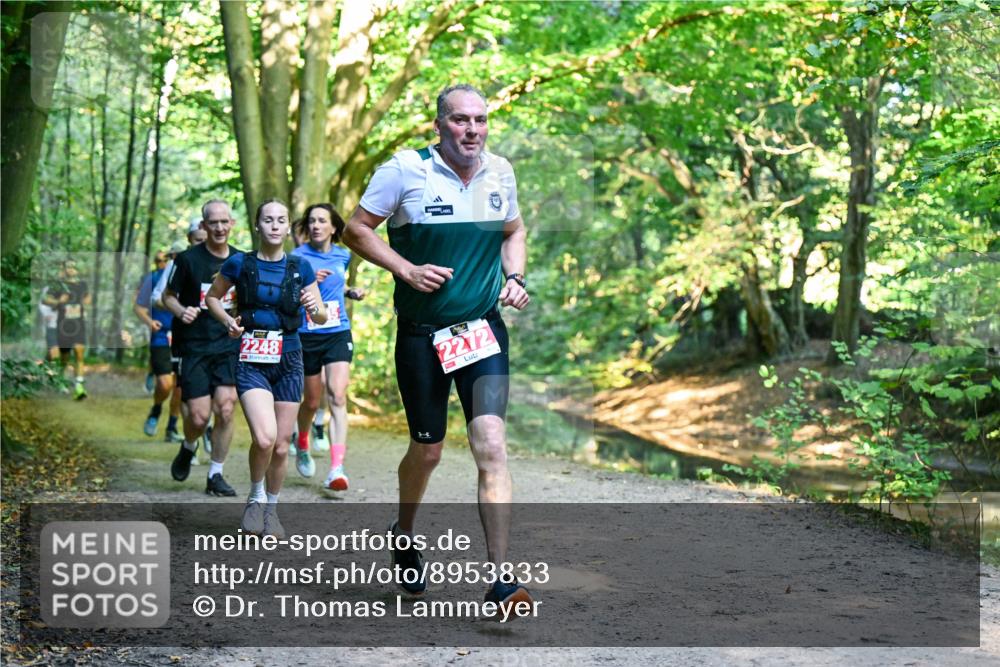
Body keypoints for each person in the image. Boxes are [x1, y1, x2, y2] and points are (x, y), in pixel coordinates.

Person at [342, 84, 533, 611]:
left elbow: (514, 231)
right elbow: (355, 229)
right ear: (439, 125)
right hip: (422, 336)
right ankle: (403, 532)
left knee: (490, 444)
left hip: (481, 332)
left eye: (480, 120)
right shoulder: (404, 171)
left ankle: (499, 579)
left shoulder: (501, 172)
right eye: (460, 120)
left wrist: (515, 277)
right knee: (427, 451)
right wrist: (405, 269)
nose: (472, 130)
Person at [205, 199, 325, 537]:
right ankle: (255, 499)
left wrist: (314, 307)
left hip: (289, 359)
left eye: (281, 220)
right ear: (257, 225)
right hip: (251, 357)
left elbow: (320, 316)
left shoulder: (301, 267)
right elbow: (212, 297)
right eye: (268, 220)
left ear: (288, 227)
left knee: (282, 445)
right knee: (264, 437)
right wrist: (228, 321)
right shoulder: (239, 263)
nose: (274, 225)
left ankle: (271, 510)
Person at [162, 200, 240, 497]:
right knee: (198, 417)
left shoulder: (241, 260)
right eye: (213, 223)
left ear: (232, 224)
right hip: (194, 345)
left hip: (228, 344)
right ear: (204, 226)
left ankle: (215, 474)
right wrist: (181, 311)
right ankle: (189, 445)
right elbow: (168, 296)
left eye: (224, 222)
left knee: (227, 407)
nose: (219, 228)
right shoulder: (187, 260)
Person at [290, 203, 366, 485]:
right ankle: (303, 442)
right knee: (311, 401)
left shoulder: (343, 255)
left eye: (322, 221)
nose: (315, 226)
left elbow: (337, 285)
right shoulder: (296, 257)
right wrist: (307, 282)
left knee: (337, 395)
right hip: (307, 333)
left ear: (334, 227)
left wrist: (351, 291)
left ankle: (337, 468)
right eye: (312, 221)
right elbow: (287, 294)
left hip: (337, 331)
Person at [153, 223, 214, 454]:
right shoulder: (179, 263)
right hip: (184, 337)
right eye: (198, 240)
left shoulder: (227, 261)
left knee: (220, 394)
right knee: (185, 390)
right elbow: (159, 297)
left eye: (205, 239)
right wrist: (181, 310)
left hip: (217, 337)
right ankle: (192, 438)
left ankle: (207, 429)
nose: (202, 243)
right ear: (190, 240)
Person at [134, 248, 182, 441]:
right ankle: (156, 410)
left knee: (180, 386)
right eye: (171, 257)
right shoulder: (154, 278)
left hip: (185, 338)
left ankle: (171, 428)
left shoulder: (193, 275)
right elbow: (139, 307)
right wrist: (150, 322)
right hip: (161, 336)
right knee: (165, 383)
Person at [45, 260, 91, 400]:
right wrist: (59, 301)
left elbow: (88, 298)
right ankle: (61, 380)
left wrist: (85, 303)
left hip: (79, 324)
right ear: (64, 269)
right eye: (68, 267)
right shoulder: (58, 285)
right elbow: (46, 299)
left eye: (73, 267)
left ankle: (79, 387)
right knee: (64, 357)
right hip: (63, 325)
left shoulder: (82, 284)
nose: (71, 269)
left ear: (77, 270)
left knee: (79, 352)